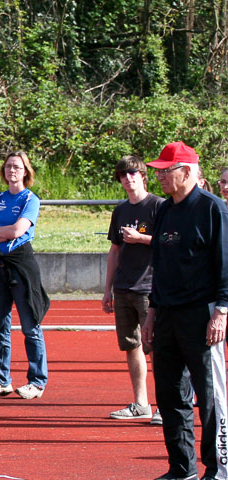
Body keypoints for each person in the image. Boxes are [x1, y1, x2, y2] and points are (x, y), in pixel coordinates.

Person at [142, 141, 228, 480]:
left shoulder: (213, 209)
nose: (160, 176)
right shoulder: (164, 211)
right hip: (167, 313)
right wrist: (151, 313)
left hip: (203, 311)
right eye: (158, 170)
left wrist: (221, 311)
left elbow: (225, 264)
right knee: (170, 392)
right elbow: (159, 265)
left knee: (210, 393)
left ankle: (220, 469)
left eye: (166, 170)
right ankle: (182, 468)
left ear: (187, 172)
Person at [0, 151, 50, 399]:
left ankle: (37, 381)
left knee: (30, 326)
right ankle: (1, 379)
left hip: (21, 263)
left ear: (26, 171)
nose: (12, 171)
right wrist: (2, 232)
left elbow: (19, 230)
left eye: (17, 167)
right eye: (8, 166)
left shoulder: (31, 199)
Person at [101, 156, 164, 423]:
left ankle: (165, 405)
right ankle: (141, 403)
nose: (128, 178)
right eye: (123, 175)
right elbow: (114, 249)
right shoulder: (121, 210)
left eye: (133, 173)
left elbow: (168, 243)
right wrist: (107, 289)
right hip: (124, 286)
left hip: (150, 287)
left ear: (143, 175)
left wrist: (141, 238)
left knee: (159, 347)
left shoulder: (160, 206)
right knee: (132, 346)